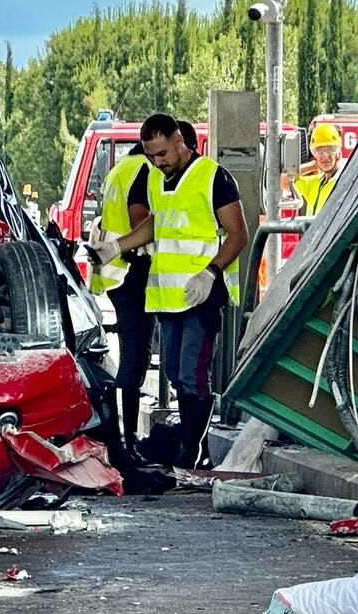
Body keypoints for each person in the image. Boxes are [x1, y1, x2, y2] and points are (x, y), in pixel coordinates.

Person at [88, 113, 247, 469]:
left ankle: (191, 452)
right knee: (175, 373)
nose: (156, 161)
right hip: (168, 297)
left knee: (193, 375)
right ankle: (189, 445)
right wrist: (116, 248)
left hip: (202, 295)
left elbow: (238, 233)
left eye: (161, 153)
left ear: (179, 141)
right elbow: (155, 225)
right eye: (151, 155)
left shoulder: (213, 177)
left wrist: (211, 272)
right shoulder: (157, 181)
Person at [87, 142, 153, 464]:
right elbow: (140, 219)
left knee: (130, 357)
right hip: (132, 270)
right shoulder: (143, 170)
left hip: (116, 274)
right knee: (134, 361)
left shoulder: (118, 170)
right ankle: (127, 443)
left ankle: (123, 440)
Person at [294, 122, 343, 216]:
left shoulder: (344, 182)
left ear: (338, 151)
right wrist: (313, 165)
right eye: (318, 151)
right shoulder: (315, 183)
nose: (325, 157)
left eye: (330, 150)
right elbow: (283, 180)